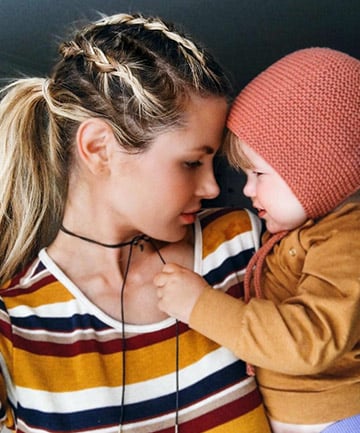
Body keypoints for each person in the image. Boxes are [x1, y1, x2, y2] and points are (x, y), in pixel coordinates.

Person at [0, 12, 272, 433]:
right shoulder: (16, 325)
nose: (213, 187)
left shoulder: (244, 247)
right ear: (99, 149)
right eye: (191, 162)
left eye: (213, 163)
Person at [154, 47, 360, 433]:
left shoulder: (347, 240)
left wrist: (199, 305)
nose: (246, 190)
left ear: (316, 168)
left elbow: (309, 340)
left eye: (259, 174)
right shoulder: (308, 230)